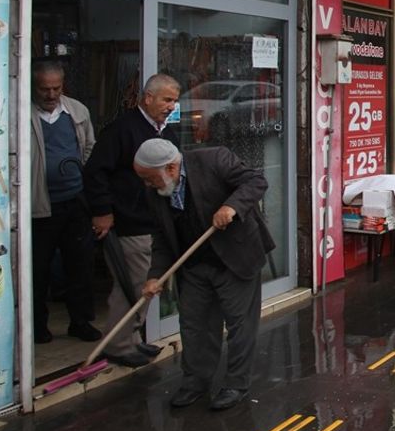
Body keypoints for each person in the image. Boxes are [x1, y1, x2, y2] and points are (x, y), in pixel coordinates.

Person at [134, 139, 273, 411]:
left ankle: (236, 384)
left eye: (150, 179)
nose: (147, 185)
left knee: (240, 326)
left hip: (235, 257)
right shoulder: (155, 192)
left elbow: (256, 181)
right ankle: (196, 381)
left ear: (171, 168)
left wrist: (231, 207)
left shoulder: (215, 159)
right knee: (194, 325)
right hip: (195, 265)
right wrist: (155, 275)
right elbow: (161, 237)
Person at [83, 73, 181, 368]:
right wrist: (102, 211)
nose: (171, 106)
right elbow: (95, 172)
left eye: (175, 101)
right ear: (148, 98)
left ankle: (133, 340)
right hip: (130, 220)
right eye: (166, 99)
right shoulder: (122, 129)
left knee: (146, 284)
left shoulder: (166, 131)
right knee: (134, 284)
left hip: (156, 221)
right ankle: (118, 345)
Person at [30, 60, 101, 345]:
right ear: (34, 86)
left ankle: (80, 322)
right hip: (40, 204)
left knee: (80, 265)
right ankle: (37, 326)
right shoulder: (23, 112)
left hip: (75, 200)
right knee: (38, 269)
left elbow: (88, 146)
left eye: (55, 88)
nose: (50, 95)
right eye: (44, 89)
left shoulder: (76, 110)